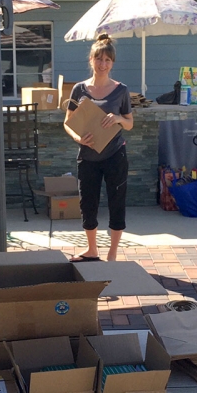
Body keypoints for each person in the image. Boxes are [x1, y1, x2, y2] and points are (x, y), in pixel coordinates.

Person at [63, 33, 133, 262]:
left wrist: (118, 119)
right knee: (87, 203)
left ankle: (112, 253)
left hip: (115, 155)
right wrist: (77, 138)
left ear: (112, 63)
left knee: (116, 202)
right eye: (99, 59)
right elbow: (67, 122)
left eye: (107, 60)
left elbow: (129, 123)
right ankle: (92, 250)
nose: (103, 64)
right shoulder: (78, 90)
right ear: (91, 60)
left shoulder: (121, 90)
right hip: (87, 156)